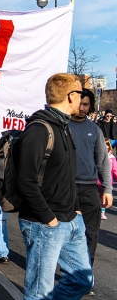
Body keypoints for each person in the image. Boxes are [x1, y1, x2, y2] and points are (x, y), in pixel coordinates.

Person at [14, 73, 93, 299]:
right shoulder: (39, 129)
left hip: (70, 219)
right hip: (45, 223)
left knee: (82, 281)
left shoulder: (63, 126)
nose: (82, 99)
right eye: (80, 93)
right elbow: (25, 181)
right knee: (39, 293)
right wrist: (49, 218)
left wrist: (75, 208)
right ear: (70, 96)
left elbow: (65, 174)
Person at [68, 88, 112, 289]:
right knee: (64, 234)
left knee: (91, 234)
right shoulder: (62, 126)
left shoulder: (95, 130)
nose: (83, 108)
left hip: (89, 190)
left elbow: (103, 162)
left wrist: (108, 190)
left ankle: (85, 278)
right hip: (65, 189)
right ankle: (69, 274)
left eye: (87, 104)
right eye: (80, 103)